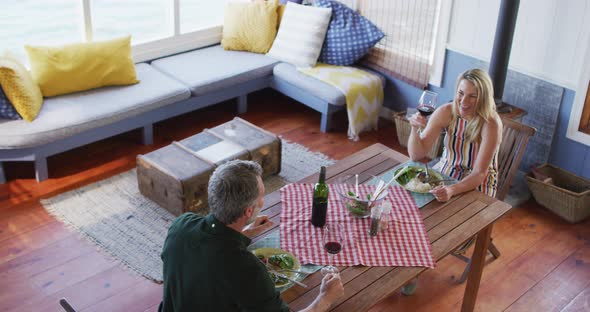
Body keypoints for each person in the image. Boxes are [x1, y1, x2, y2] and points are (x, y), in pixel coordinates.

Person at [158, 160, 344, 312]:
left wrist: (244, 233)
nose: (263, 201)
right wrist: (325, 298)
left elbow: (205, 256)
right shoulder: (247, 269)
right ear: (248, 211)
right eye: (262, 197)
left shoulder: (180, 225)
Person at [408, 68, 502, 202]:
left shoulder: (491, 124)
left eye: (472, 96)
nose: (464, 101)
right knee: (416, 203)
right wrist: (414, 129)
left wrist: (452, 189)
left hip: (478, 183)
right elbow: (416, 154)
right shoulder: (446, 112)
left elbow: (479, 174)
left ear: (483, 98)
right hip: (446, 171)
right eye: (461, 93)